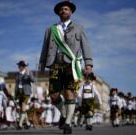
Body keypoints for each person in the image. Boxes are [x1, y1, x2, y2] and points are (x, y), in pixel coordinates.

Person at [39, 1, 93, 134]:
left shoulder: (79, 28)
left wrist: (88, 64)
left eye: (66, 9)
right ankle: (64, 114)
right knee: (54, 95)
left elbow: (86, 46)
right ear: (58, 13)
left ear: (71, 12)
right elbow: (45, 48)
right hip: (55, 64)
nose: (63, 11)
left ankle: (68, 122)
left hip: (72, 65)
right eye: (61, 9)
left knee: (70, 92)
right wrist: (42, 63)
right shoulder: (51, 29)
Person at [15, 60, 34, 129]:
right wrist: (15, 95)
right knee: (22, 109)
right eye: (19, 66)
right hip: (19, 93)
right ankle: (28, 123)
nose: (19, 67)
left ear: (24, 66)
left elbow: (33, 80)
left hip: (26, 92)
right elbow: (16, 85)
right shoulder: (17, 74)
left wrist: (28, 74)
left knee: (23, 106)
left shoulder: (29, 72)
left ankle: (20, 124)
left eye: (20, 66)